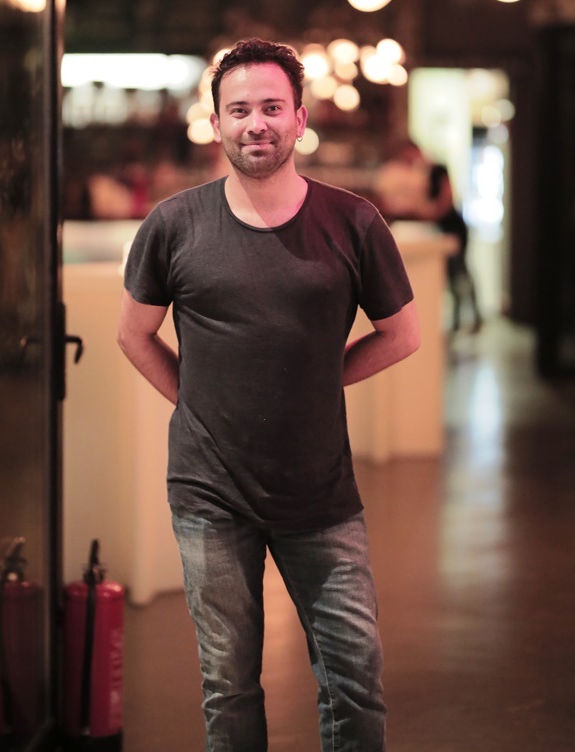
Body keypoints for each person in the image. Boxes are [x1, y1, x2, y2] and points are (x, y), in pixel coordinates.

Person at [117, 38, 420, 752]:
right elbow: (134, 335)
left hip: (321, 492)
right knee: (228, 685)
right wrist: (196, 400)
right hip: (210, 494)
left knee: (355, 675)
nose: (256, 123)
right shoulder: (174, 224)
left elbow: (402, 334)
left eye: (272, 108)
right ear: (216, 123)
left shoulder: (353, 221)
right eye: (240, 110)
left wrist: (316, 377)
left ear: (299, 119)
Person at [377, 139, 482, 333]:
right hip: (435, 226)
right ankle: (458, 320)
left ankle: (474, 316)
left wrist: (430, 214)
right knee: (449, 273)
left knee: (460, 270)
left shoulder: (437, 169)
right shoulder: (416, 174)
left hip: (450, 225)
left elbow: (446, 198)